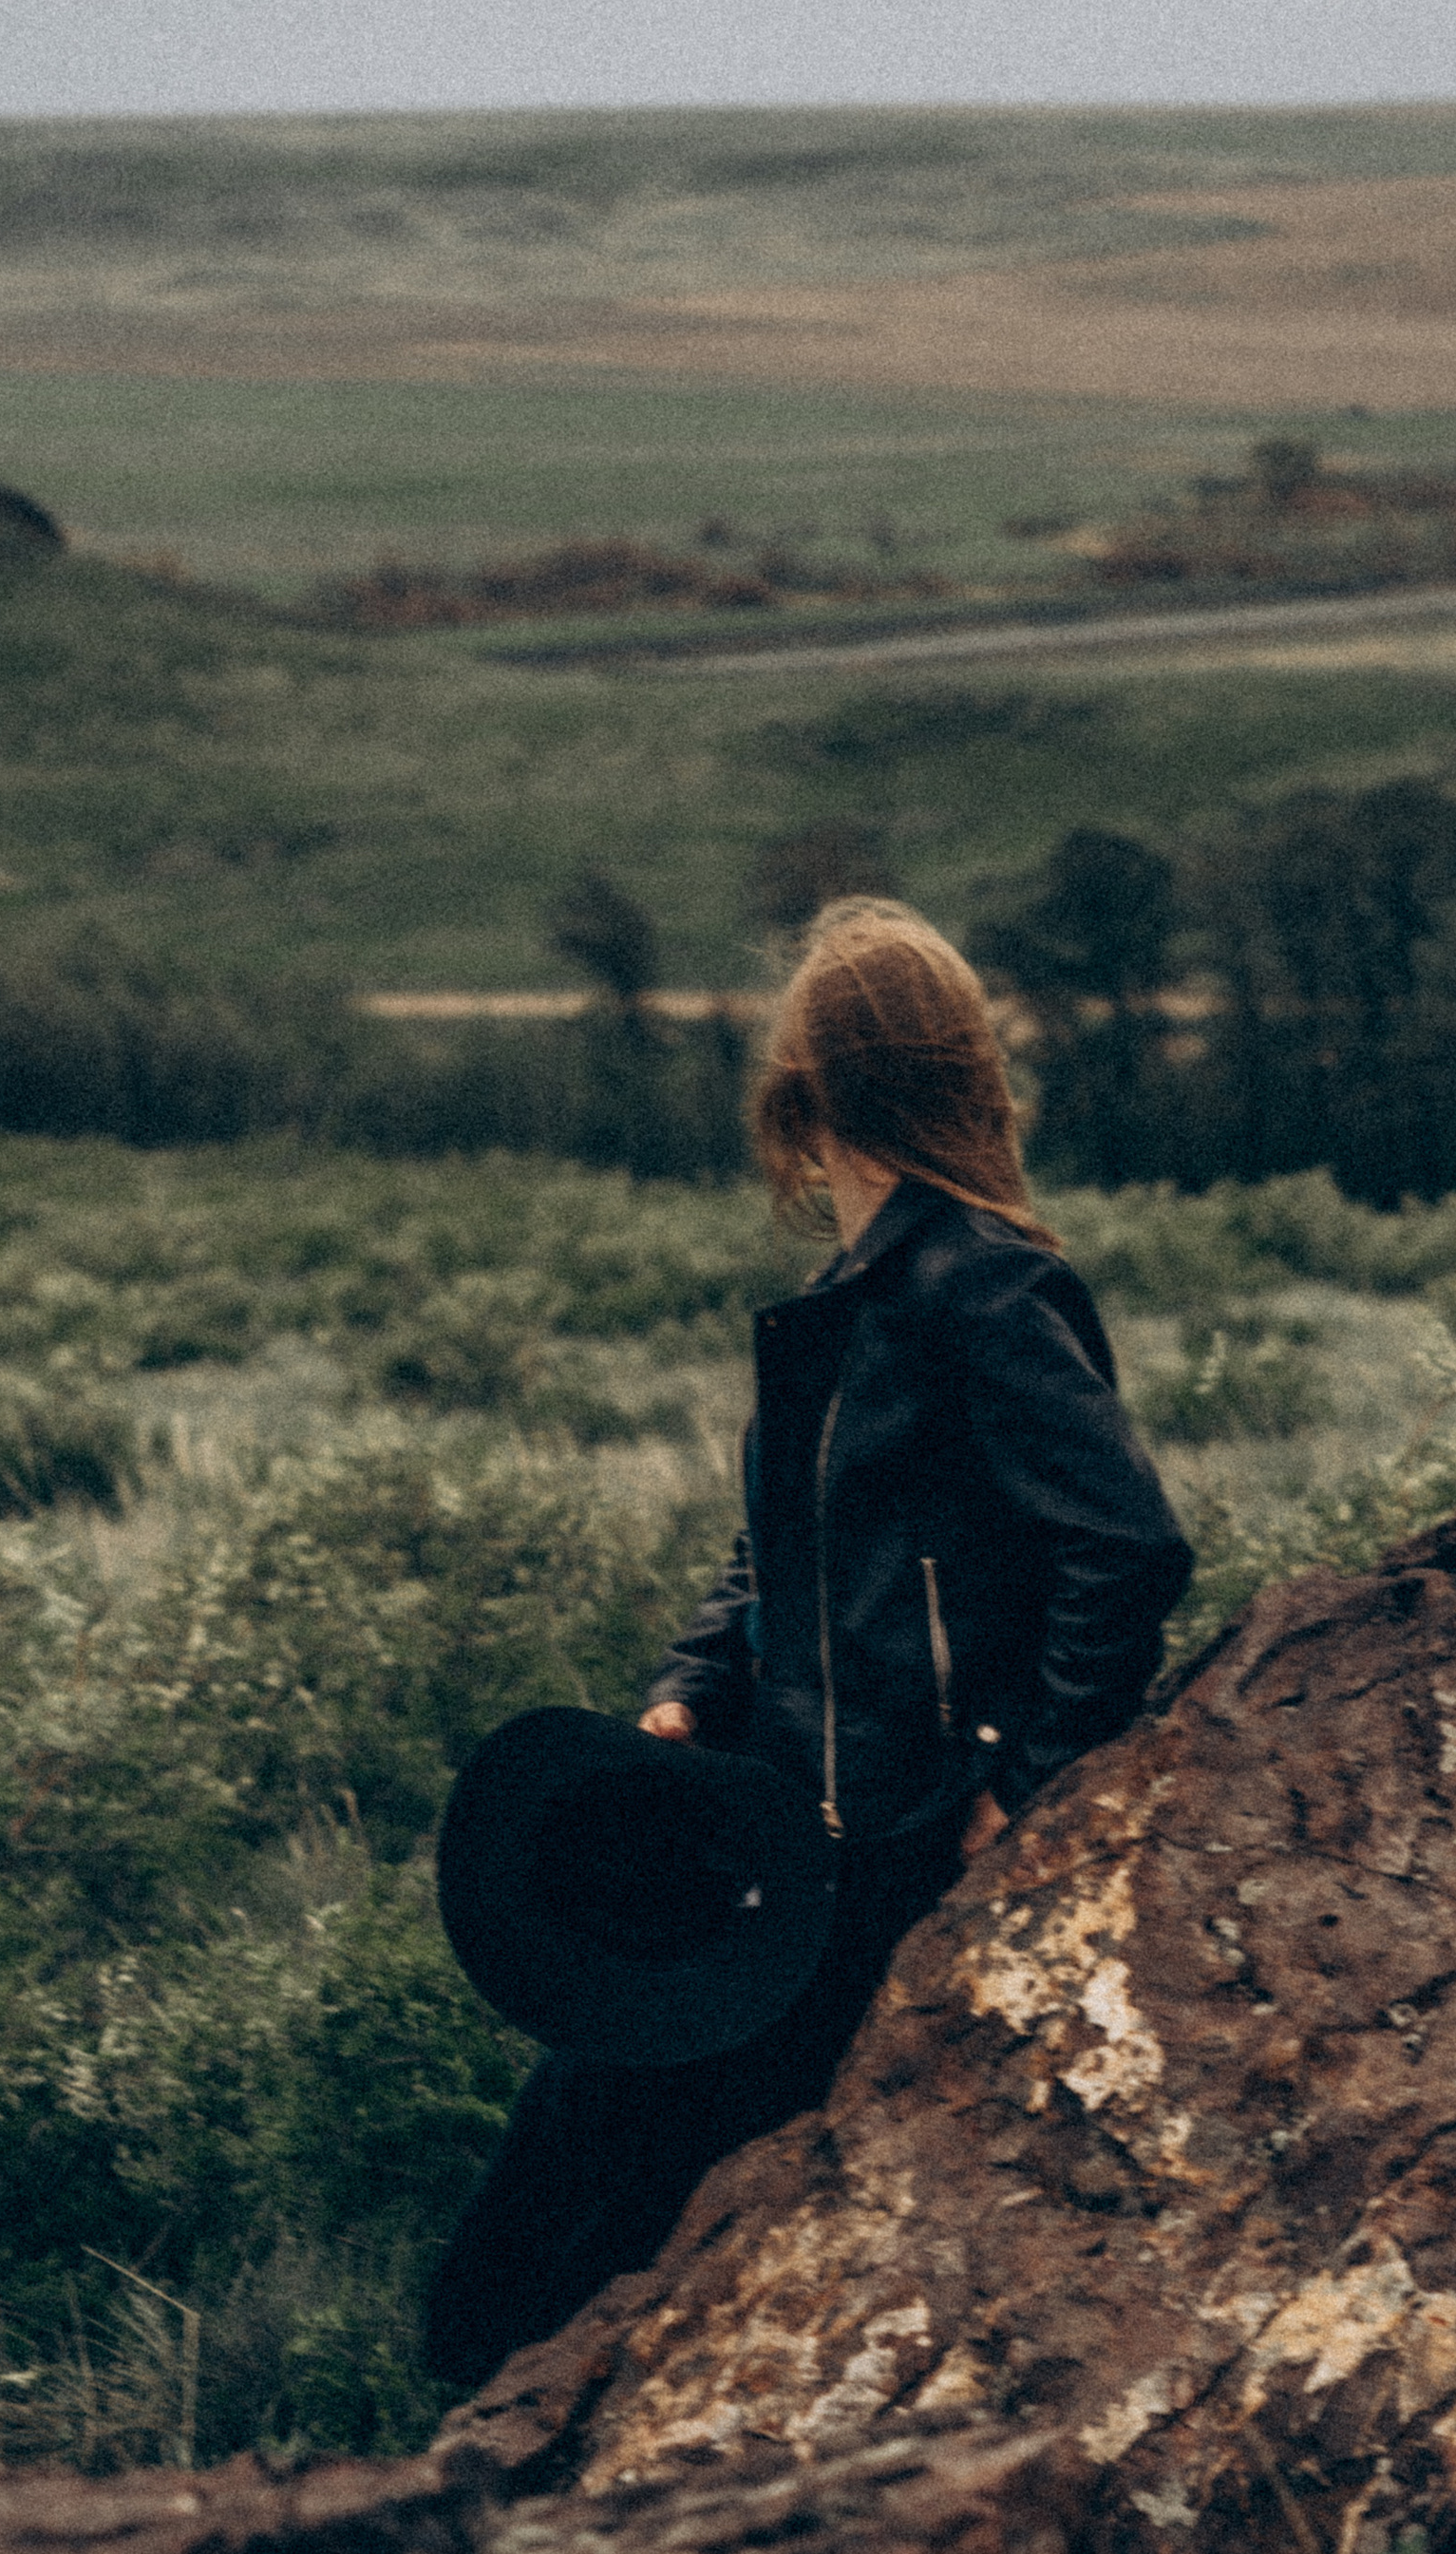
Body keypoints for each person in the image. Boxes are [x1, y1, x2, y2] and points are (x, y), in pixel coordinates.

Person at [424, 897, 1192, 2393]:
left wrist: (1021, 1780)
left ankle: (542, 2479)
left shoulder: (983, 1284)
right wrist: (692, 1684)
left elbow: (1126, 1544)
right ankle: (498, 2453)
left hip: (882, 1864)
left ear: (808, 1095)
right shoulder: (846, 1307)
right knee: (552, 2176)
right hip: (772, 1837)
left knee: (617, 2199)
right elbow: (769, 1558)